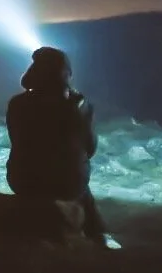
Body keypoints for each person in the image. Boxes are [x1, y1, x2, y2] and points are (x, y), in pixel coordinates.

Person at [6, 46, 107, 245]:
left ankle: (96, 232)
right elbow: (90, 149)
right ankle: (98, 235)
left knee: (62, 172)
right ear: (65, 75)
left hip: (22, 180)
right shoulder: (79, 107)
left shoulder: (17, 104)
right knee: (77, 180)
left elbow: (17, 141)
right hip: (67, 185)